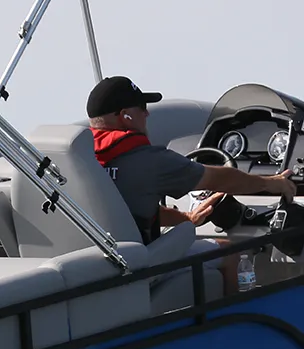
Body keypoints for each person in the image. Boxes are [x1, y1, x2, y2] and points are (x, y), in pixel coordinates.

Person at [87, 75, 297, 294]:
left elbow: (129, 211)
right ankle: (234, 323)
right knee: (228, 252)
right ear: (126, 116)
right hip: (138, 267)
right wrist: (271, 183)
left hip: (100, 266)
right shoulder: (149, 160)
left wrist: (187, 218)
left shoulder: (84, 159)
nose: (147, 113)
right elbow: (220, 179)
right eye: (142, 107)